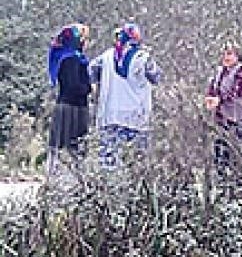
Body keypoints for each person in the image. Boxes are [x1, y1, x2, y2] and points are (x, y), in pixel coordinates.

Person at [88, 22, 162, 169]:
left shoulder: (106, 57)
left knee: (109, 165)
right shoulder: (144, 58)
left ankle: (108, 190)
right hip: (137, 118)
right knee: (137, 165)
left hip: (110, 115)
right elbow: (157, 78)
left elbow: (90, 74)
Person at [204, 44, 242, 190]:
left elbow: (236, 91)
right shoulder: (219, 72)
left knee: (238, 154)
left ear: (237, 56)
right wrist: (210, 98)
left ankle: (241, 186)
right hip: (222, 119)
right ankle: (222, 185)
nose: (226, 57)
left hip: (239, 119)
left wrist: (220, 99)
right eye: (224, 54)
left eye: (230, 54)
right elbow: (213, 88)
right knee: (220, 153)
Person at [47, 23, 92, 173]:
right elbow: (73, 85)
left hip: (71, 106)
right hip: (71, 109)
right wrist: (88, 88)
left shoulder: (72, 58)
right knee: (70, 146)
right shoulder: (71, 59)